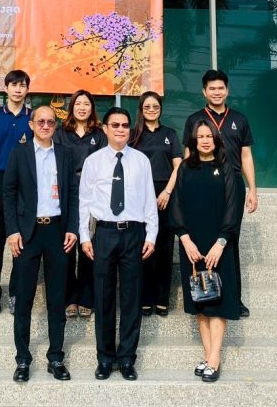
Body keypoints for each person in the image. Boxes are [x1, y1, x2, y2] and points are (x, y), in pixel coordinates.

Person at [78, 107, 158, 381]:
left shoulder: (141, 161)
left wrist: (151, 235)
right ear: (105, 128)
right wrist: (84, 236)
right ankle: (104, 358)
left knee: (131, 298)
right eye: (115, 125)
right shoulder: (94, 161)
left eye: (125, 125)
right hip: (104, 234)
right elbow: (84, 202)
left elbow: (149, 200)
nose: (121, 129)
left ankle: (126, 359)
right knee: (103, 297)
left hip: (133, 234)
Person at [3, 106, 79, 383]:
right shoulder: (19, 153)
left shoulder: (65, 154)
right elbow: (8, 192)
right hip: (28, 234)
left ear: (55, 125)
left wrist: (73, 228)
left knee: (57, 299)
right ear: (32, 124)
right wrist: (12, 231)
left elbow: (73, 192)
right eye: (41, 121)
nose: (46, 125)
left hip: (58, 232)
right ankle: (23, 359)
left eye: (50, 122)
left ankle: (56, 357)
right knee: (24, 299)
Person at [170, 121, 243, 383]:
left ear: (216, 139)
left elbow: (233, 208)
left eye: (208, 136)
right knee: (200, 301)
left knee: (217, 301)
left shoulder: (226, 168)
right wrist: (185, 239)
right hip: (192, 245)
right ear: (193, 140)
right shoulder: (185, 168)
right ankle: (208, 354)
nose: (204, 140)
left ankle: (214, 358)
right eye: (200, 136)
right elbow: (176, 204)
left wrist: (221, 242)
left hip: (218, 245)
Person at [182, 69, 257, 317]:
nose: (216, 92)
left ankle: (234, 298)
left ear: (227, 90)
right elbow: (187, 156)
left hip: (232, 183)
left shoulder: (239, 119)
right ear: (204, 92)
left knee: (229, 239)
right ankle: (202, 291)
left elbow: (246, 156)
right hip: (201, 182)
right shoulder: (194, 119)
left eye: (220, 88)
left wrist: (252, 189)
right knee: (202, 236)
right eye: (211, 88)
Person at [0, 70, 32, 315]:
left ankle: (15, 294)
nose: (18, 89)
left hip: (24, 184)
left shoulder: (33, 118)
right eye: (14, 85)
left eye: (22, 85)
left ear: (27, 90)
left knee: (20, 240)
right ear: (6, 88)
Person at [53, 89, 105, 318]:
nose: (82, 108)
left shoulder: (99, 134)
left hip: (92, 196)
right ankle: (69, 298)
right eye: (78, 104)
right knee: (66, 247)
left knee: (88, 247)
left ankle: (86, 298)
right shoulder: (60, 133)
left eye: (86, 104)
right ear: (71, 107)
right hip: (66, 195)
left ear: (92, 108)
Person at [130, 91, 182, 317]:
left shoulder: (169, 134)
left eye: (155, 106)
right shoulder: (133, 135)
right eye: (147, 106)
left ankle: (162, 299)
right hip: (140, 195)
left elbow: (178, 166)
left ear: (160, 108)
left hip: (165, 195)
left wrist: (167, 192)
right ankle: (144, 298)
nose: (151, 110)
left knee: (164, 247)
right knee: (142, 247)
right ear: (141, 109)